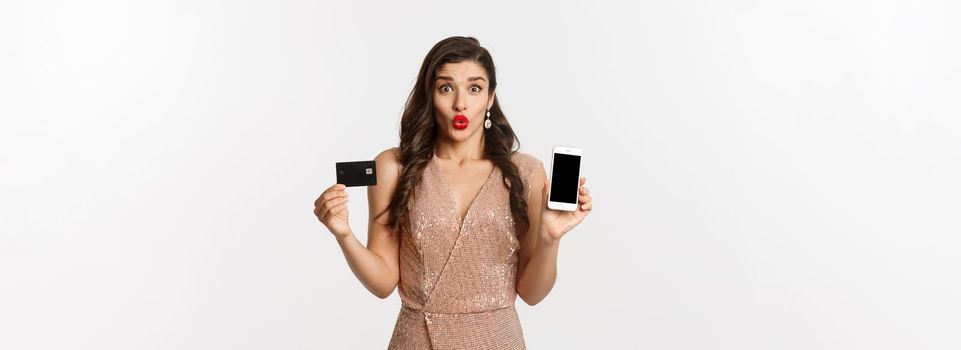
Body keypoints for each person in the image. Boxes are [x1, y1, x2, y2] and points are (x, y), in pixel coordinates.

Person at [313, 36, 593, 349]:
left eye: (475, 88)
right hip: (418, 339)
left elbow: (532, 293)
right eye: (446, 87)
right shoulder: (394, 167)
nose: (460, 103)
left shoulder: (525, 172)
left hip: (498, 340)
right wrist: (343, 235)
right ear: (429, 95)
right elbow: (383, 283)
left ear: (490, 98)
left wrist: (549, 239)